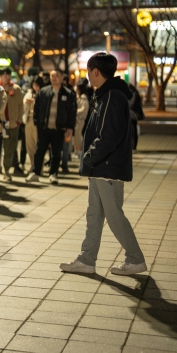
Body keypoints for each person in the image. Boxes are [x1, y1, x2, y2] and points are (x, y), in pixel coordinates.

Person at [60, 52, 147, 276]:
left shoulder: (111, 97)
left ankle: (135, 259)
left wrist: (88, 156)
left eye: (89, 71)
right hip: (102, 166)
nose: (88, 76)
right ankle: (87, 260)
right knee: (94, 214)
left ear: (96, 71)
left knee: (114, 215)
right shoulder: (106, 95)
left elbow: (109, 136)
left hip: (106, 166)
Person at [26, 69, 76, 185]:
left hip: (59, 128)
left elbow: (72, 112)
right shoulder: (44, 92)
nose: (54, 78)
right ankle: (35, 173)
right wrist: (37, 122)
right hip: (44, 127)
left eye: (57, 76)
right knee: (39, 151)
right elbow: (37, 108)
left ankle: (53, 174)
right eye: (52, 76)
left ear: (62, 78)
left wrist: (70, 127)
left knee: (56, 152)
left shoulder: (68, 94)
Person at [0, 68, 24, 182]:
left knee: (10, 148)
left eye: (8, 74)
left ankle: (6, 170)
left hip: (12, 123)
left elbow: (21, 106)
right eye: (4, 75)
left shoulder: (16, 89)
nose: (7, 77)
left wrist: (19, 120)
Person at [23, 76, 43, 173]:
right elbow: (24, 103)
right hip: (28, 119)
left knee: (37, 144)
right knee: (29, 144)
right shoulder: (29, 93)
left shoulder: (43, 93)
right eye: (34, 85)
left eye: (37, 85)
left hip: (38, 121)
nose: (35, 87)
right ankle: (32, 164)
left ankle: (39, 166)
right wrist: (27, 102)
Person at [74, 80, 90, 158]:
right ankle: (77, 150)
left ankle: (80, 151)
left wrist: (74, 112)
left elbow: (84, 109)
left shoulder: (83, 97)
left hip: (80, 119)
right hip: (78, 119)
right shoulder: (80, 97)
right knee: (76, 136)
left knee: (78, 135)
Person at [128, 83, 144, 151]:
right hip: (132, 114)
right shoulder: (134, 94)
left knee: (133, 130)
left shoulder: (134, 94)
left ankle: (133, 145)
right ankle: (132, 145)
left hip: (133, 115)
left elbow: (131, 105)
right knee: (132, 130)